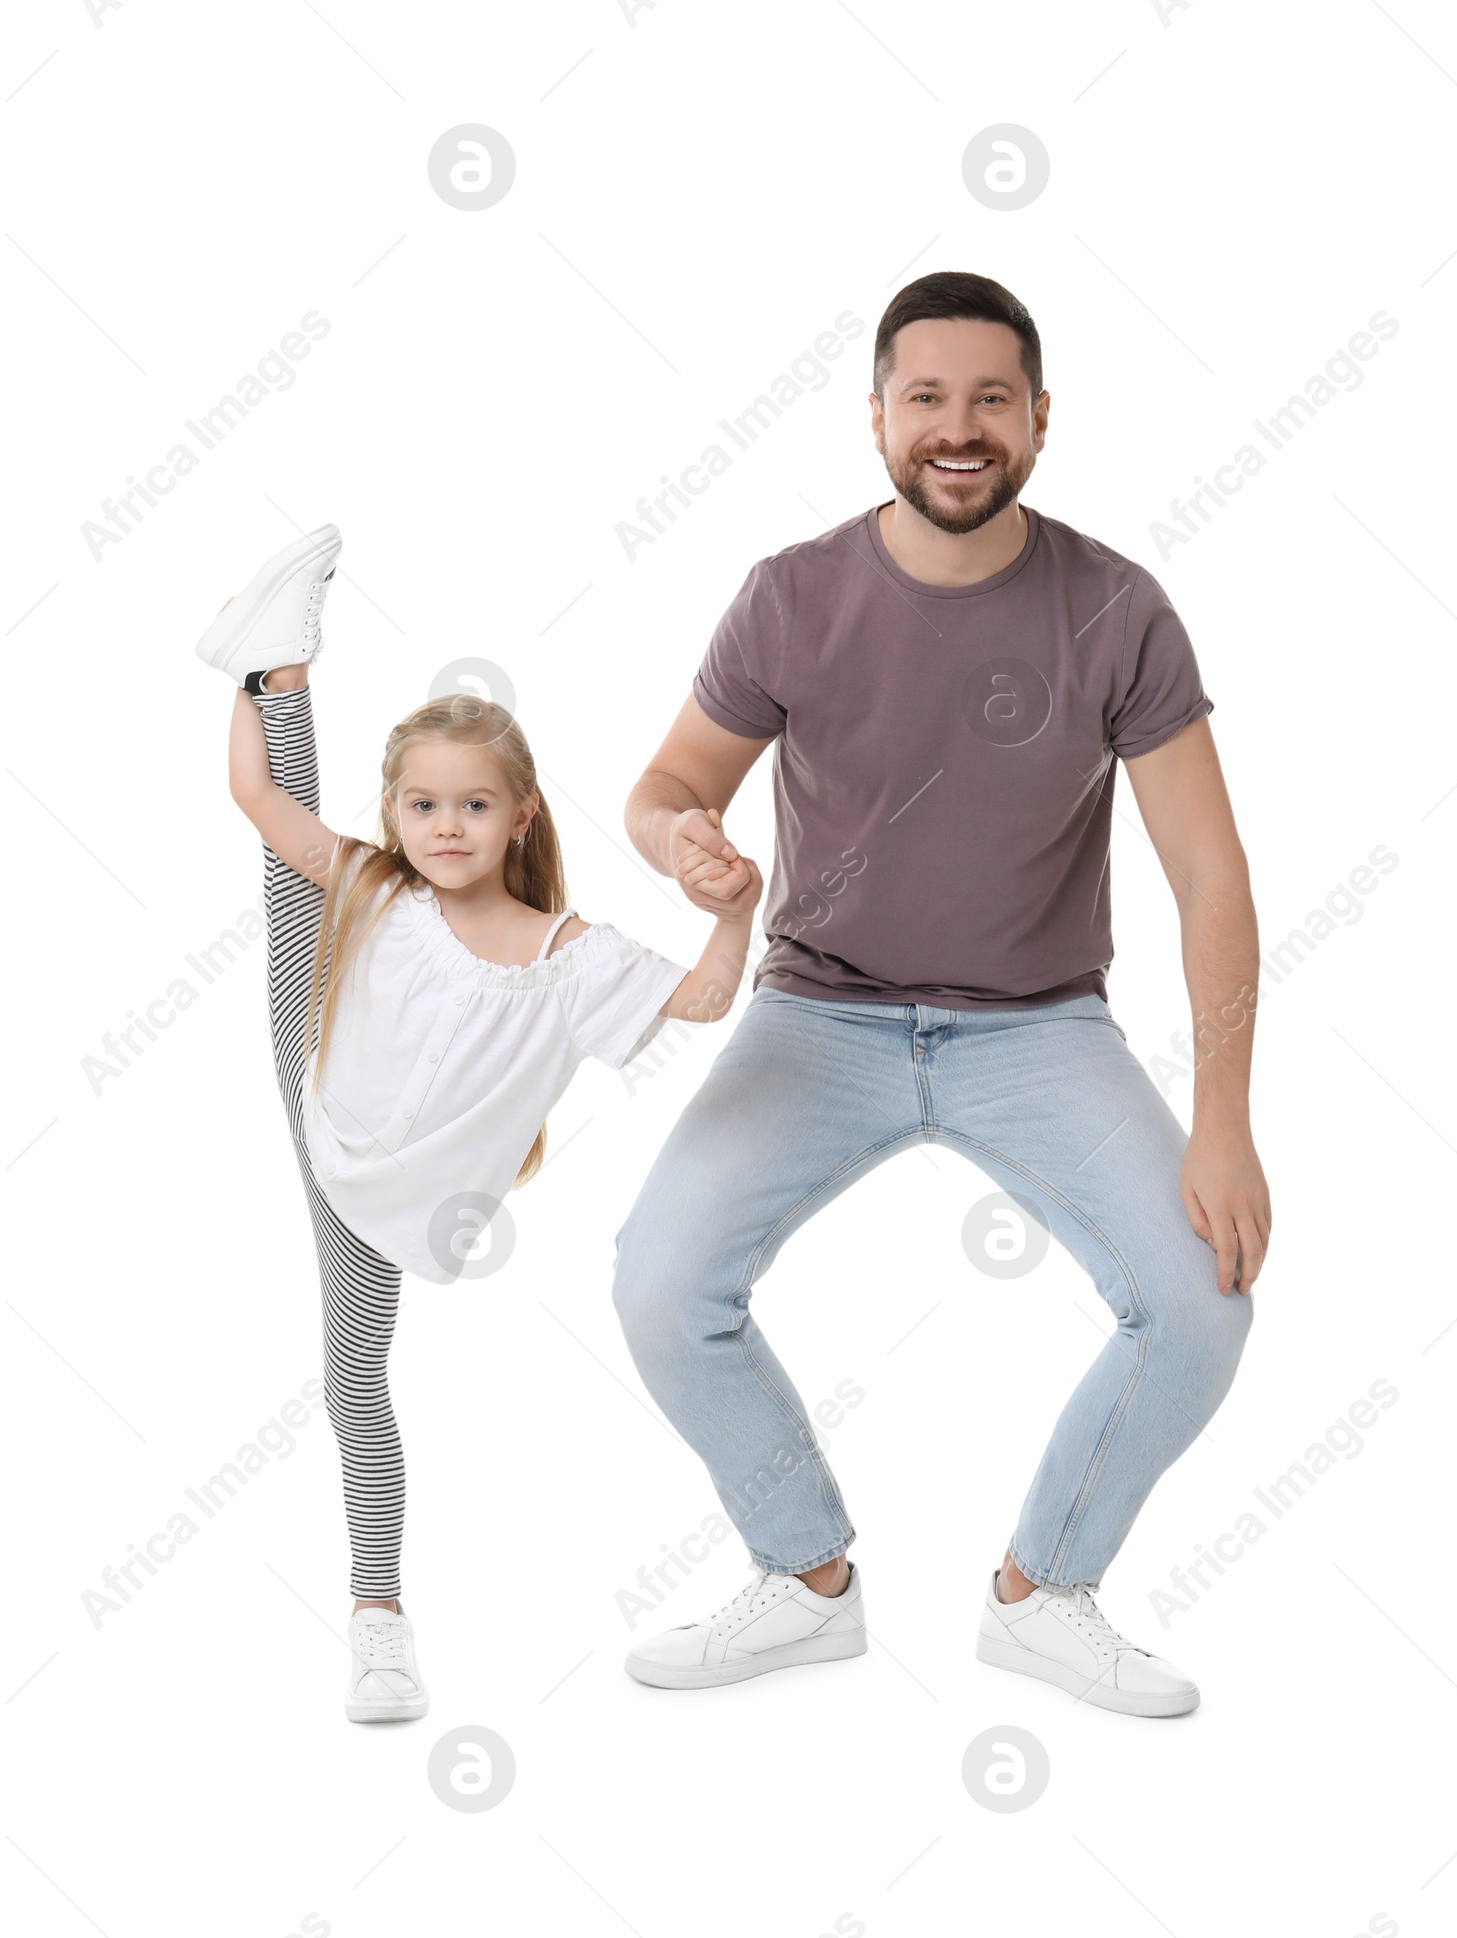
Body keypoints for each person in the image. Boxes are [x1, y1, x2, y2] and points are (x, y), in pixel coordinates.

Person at [611, 270, 1270, 1716]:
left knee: (1200, 1302)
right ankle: (806, 1579)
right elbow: (663, 788)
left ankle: (1045, 1590)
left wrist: (1224, 1119)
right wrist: (686, 842)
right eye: (927, 398)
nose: (957, 429)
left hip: (1038, 1027)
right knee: (661, 1286)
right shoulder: (791, 595)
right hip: (818, 1014)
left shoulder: (1118, 609)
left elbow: (1210, 877)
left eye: (991, 400)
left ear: (1040, 420)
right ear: (876, 419)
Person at [197, 525, 762, 1722]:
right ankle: (379, 1620)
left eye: (468, 804)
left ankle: (270, 666)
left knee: (359, 1374)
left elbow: (707, 1001)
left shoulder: (571, 958)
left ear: (517, 818)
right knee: (355, 1374)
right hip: (318, 1060)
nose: (443, 825)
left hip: (388, 1172)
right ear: (395, 811)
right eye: (419, 803)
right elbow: (254, 796)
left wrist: (735, 908)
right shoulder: (377, 881)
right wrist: (251, 697)